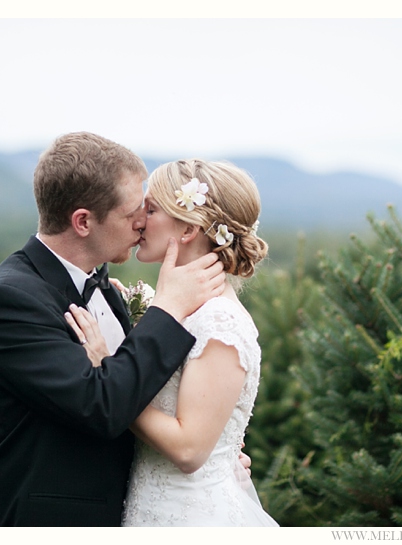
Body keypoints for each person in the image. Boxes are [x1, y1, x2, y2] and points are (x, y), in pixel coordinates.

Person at [0, 132, 230, 526]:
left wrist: (217, 451)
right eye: (130, 214)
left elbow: (137, 385)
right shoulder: (7, 302)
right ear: (83, 221)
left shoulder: (103, 283)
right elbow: (102, 406)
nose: (143, 223)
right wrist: (168, 309)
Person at [66, 159, 279, 526]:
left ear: (187, 228)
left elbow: (189, 449)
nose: (139, 219)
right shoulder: (170, 309)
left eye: (151, 209)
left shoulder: (220, 321)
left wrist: (107, 369)